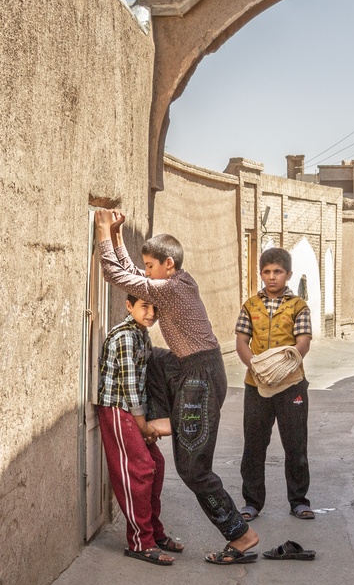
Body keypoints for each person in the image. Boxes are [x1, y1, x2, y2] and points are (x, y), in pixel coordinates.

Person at [94, 208, 260, 565]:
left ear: (168, 265)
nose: (146, 271)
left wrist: (104, 230)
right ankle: (167, 421)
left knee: (193, 469)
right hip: (190, 368)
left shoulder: (169, 289)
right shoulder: (175, 280)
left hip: (200, 378)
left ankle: (240, 534)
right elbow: (134, 275)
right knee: (151, 357)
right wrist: (120, 236)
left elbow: (116, 274)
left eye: (151, 266)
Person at [95, 294, 183, 566]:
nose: (151, 313)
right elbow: (131, 386)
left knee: (157, 464)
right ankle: (140, 542)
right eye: (144, 306)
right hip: (118, 409)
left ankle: (154, 532)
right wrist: (143, 425)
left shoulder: (141, 334)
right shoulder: (125, 336)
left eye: (155, 308)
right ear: (129, 306)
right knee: (141, 469)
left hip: (134, 411)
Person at [235, 247, 313, 523]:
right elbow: (241, 342)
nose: (272, 277)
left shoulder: (298, 306)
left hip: (291, 384)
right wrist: (256, 367)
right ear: (261, 274)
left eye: (278, 272)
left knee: (295, 444)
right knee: (254, 445)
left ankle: (299, 501)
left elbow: (303, 343)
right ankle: (252, 502)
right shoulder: (250, 306)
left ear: (288, 274)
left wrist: (281, 368)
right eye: (267, 272)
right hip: (256, 385)